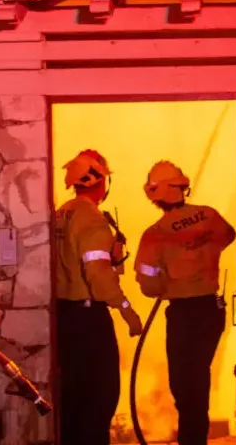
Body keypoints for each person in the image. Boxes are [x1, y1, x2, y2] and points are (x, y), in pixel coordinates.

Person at [134, 161, 236, 445]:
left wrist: (167, 281)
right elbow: (229, 236)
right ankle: (195, 438)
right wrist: (203, 253)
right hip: (212, 309)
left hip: (183, 314)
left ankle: (191, 440)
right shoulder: (208, 214)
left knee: (184, 384)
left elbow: (147, 284)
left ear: (157, 194)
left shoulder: (155, 234)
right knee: (199, 377)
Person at [54, 149, 144, 445]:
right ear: (99, 180)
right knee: (100, 398)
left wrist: (112, 258)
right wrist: (128, 312)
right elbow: (97, 274)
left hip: (64, 318)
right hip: (89, 320)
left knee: (72, 404)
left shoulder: (62, 213)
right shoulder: (91, 218)